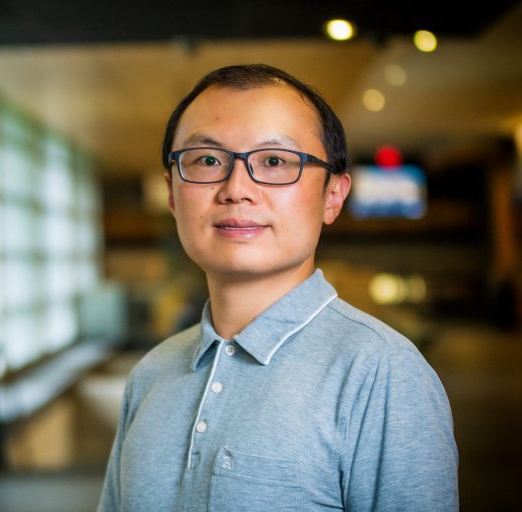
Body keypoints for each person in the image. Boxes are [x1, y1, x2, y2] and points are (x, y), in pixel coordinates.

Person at [97, 64, 458, 511]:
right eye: (207, 160)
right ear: (172, 193)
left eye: (274, 161)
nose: (236, 189)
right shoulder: (151, 374)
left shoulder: (381, 373)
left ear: (333, 196)